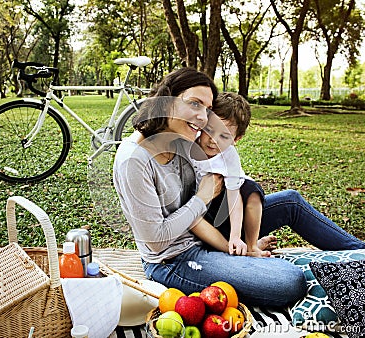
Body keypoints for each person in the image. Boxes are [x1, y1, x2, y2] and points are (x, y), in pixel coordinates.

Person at [112, 67, 365, 307]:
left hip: (209, 228)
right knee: (289, 281)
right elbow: (156, 242)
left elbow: (224, 180)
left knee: (290, 201)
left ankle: (359, 252)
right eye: (194, 104)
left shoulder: (181, 137)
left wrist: (237, 230)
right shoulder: (134, 160)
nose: (202, 117)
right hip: (175, 259)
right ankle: (241, 254)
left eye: (207, 108)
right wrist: (204, 199)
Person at [189, 92, 271, 258]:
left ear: (236, 139)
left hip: (221, 206)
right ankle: (236, 247)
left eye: (224, 136)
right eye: (209, 130)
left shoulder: (229, 156)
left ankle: (251, 245)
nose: (214, 140)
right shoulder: (190, 143)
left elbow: (234, 197)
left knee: (251, 189)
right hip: (197, 208)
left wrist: (235, 235)